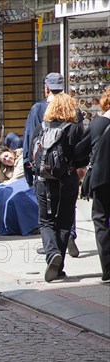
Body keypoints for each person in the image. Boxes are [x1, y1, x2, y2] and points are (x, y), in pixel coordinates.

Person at [34, 93, 87, 282]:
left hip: (44, 180)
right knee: (64, 222)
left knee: (45, 221)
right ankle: (58, 266)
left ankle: (51, 254)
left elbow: (34, 151)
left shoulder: (42, 127)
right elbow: (82, 155)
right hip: (68, 178)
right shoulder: (74, 128)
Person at [88, 87, 110, 281]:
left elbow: (81, 149)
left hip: (102, 179)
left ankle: (108, 268)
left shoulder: (97, 125)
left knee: (101, 220)